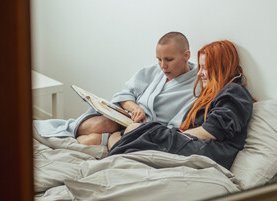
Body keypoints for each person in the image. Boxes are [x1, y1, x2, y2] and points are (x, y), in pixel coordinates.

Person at [106, 40, 254, 170]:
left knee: (137, 131)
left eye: (204, 68)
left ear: (220, 67)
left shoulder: (234, 91)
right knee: (130, 133)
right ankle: (118, 149)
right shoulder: (214, 94)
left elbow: (212, 131)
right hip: (195, 144)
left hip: (208, 151)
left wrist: (176, 135)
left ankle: (117, 148)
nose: (199, 73)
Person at [33, 32, 199, 146]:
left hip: (144, 131)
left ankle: (75, 136)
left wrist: (143, 125)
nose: (163, 66)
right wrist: (135, 108)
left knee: (87, 142)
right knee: (105, 124)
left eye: (169, 59)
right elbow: (124, 95)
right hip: (124, 119)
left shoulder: (195, 88)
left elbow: (177, 128)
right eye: (159, 59)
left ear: (186, 55)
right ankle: (52, 130)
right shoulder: (154, 71)